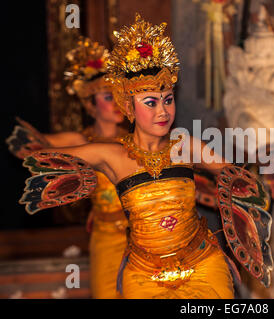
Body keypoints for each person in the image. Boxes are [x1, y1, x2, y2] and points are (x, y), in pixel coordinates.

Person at [19, 14, 258, 299]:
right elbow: (41, 158)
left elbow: (236, 177)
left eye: (168, 100)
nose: (162, 111)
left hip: (202, 265)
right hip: (143, 276)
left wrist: (245, 202)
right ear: (128, 106)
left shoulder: (186, 144)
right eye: (151, 102)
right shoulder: (111, 154)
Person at [7, 37, 127, 299]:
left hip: (140, 234)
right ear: (90, 105)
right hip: (105, 236)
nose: (117, 103)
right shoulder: (80, 141)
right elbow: (34, 147)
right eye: (108, 97)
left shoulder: (134, 139)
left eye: (120, 95)